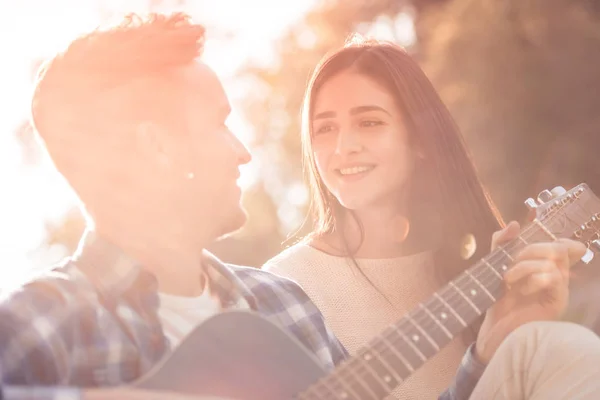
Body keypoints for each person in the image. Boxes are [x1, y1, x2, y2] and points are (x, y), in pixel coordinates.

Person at [1, 12, 599, 400]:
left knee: (550, 349)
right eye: (219, 125)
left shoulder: (280, 308)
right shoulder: (45, 319)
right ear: (157, 146)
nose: (241, 152)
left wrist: (489, 347)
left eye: (369, 122)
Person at [264, 38, 600, 399]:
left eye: (370, 122)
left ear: (421, 139)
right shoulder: (284, 287)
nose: (343, 146)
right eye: (325, 128)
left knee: (561, 347)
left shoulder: (477, 271)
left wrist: (507, 335)